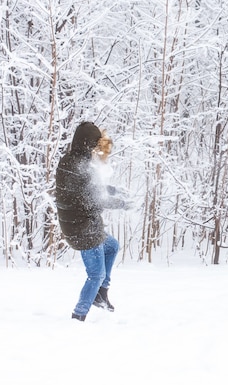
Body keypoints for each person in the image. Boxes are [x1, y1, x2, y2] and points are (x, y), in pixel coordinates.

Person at [55, 122, 130, 322]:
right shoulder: (78, 167)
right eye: (94, 144)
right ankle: (78, 316)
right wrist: (122, 204)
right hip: (81, 229)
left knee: (112, 246)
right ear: (87, 143)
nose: (97, 149)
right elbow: (94, 199)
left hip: (83, 224)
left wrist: (112, 190)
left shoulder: (73, 161)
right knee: (96, 274)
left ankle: (100, 295)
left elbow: (91, 188)